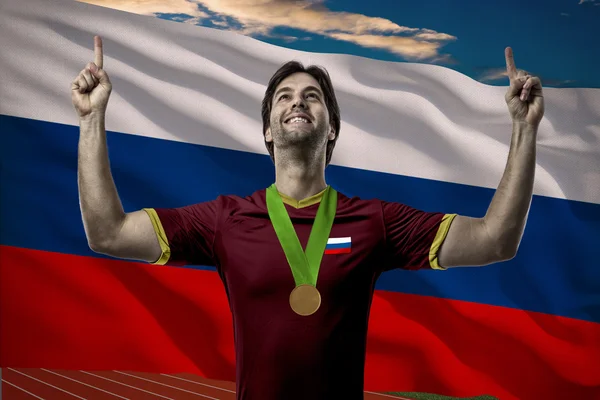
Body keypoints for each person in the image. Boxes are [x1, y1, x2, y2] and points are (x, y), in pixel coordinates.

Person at [71, 35, 544, 400]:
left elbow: (494, 240)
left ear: (331, 127)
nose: (297, 101)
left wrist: (524, 130)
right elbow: (109, 233)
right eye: (283, 96)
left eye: (312, 95)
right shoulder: (225, 219)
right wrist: (92, 119)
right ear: (267, 132)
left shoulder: (375, 221)